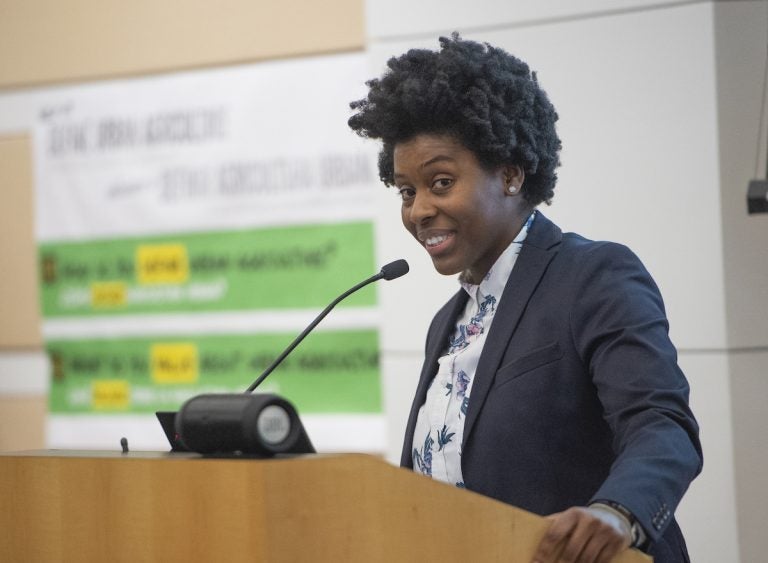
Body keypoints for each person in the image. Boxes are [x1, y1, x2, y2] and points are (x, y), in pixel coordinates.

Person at [348, 34, 702, 563]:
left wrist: (617, 513)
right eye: (406, 191)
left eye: (440, 182)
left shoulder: (592, 276)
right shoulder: (448, 322)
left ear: (511, 174)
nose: (418, 210)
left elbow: (660, 423)